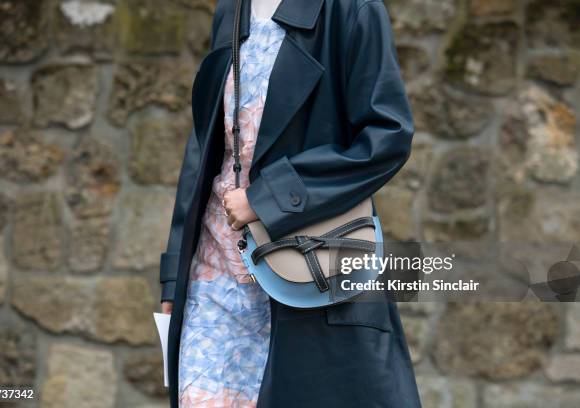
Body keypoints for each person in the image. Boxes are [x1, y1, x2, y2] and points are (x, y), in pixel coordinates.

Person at [160, 0, 422, 407]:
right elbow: (206, 145)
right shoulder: (232, 10)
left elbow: (387, 136)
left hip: (301, 271)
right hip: (213, 277)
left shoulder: (352, 11)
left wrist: (267, 199)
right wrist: (173, 276)